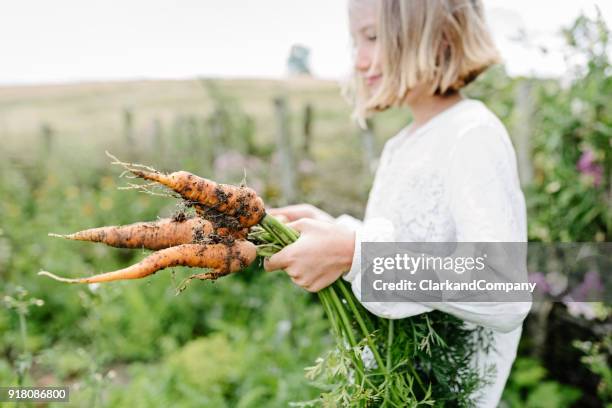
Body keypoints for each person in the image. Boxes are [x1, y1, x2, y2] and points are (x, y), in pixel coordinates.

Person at [264, 0, 531, 406]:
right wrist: (337, 229)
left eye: (372, 37)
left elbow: (500, 285)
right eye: (355, 43)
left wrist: (354, 253)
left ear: (438, 34)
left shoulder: (472, 134)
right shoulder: (402, 145)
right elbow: (403, 239)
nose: (359, 60)